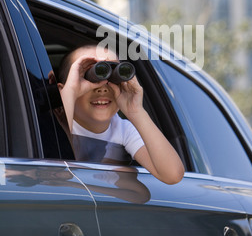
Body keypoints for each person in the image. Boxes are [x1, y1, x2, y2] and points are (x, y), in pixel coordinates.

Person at [57, 45, 184, 185]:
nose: (102, 88)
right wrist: (70, 93)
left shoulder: (123, 129)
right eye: (89, 76)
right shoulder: (51, 121)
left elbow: (172, 174)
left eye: (112, 77)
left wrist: (136, 111)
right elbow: (49, 159)